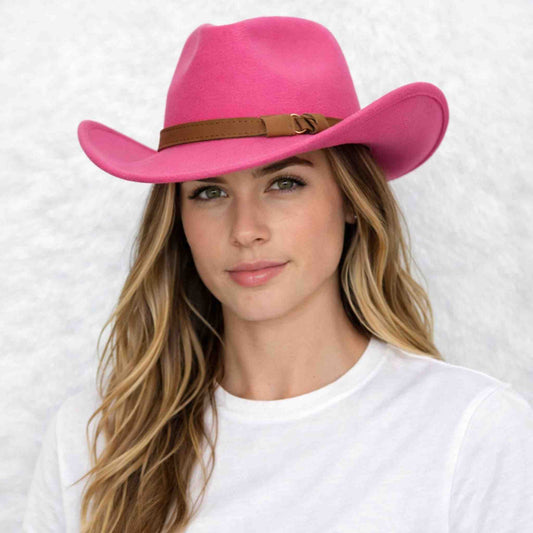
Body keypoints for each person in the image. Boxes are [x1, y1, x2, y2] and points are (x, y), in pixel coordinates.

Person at [23, 15, 533, 533]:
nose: (246, 230)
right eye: (210, 192)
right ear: (177, 220)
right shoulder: (96, 443)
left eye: (285, 183)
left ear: (351, 199)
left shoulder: (473, 435)